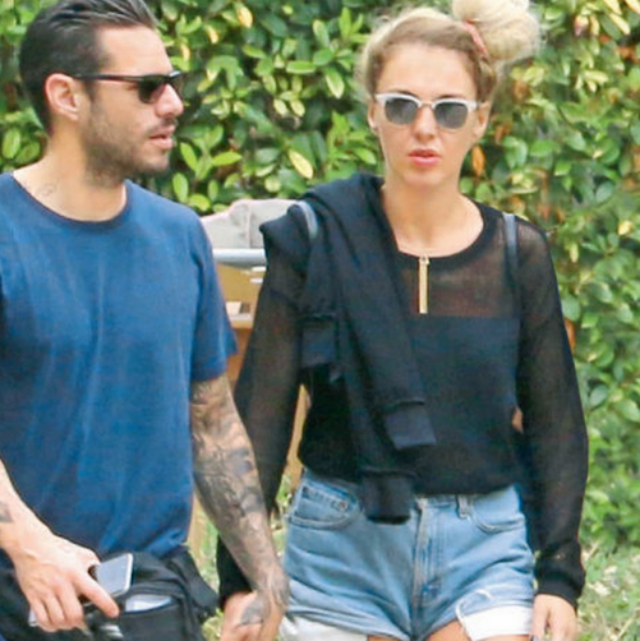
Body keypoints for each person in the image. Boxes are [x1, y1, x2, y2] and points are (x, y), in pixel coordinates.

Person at [217, 1, 588, 641]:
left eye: (449, 110)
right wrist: (245, 579)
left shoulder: (516, 253)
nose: (424, 128)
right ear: (372, 112)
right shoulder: (314, 240)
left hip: (482, 548)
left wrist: (558, 576)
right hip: (340, 547)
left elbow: (555, 422)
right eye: (401, 106)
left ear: (480, 120)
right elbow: (262, 418)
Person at [0, 1, 288, 640]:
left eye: (172, 83)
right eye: (147, 87)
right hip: (16, 601)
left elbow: (210, 422)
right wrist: (28, 544)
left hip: (150, 601)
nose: (173, 105)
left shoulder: (179, 236)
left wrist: (267, 579)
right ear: (66, 96)